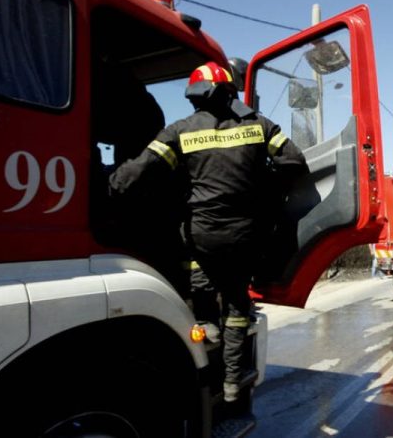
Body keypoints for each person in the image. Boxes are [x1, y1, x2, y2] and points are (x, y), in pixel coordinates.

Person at [109, 61, 308, 403]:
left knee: (193, 261)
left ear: (194, 98)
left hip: (201, 236)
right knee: (236, 304)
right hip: (245, 237)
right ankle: (232, 384)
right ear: (230, 92)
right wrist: (262, 184)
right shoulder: (259, 125)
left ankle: (204, 319)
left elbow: (139, 171)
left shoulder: (179, 131)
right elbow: (294, 162)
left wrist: (106, 187)